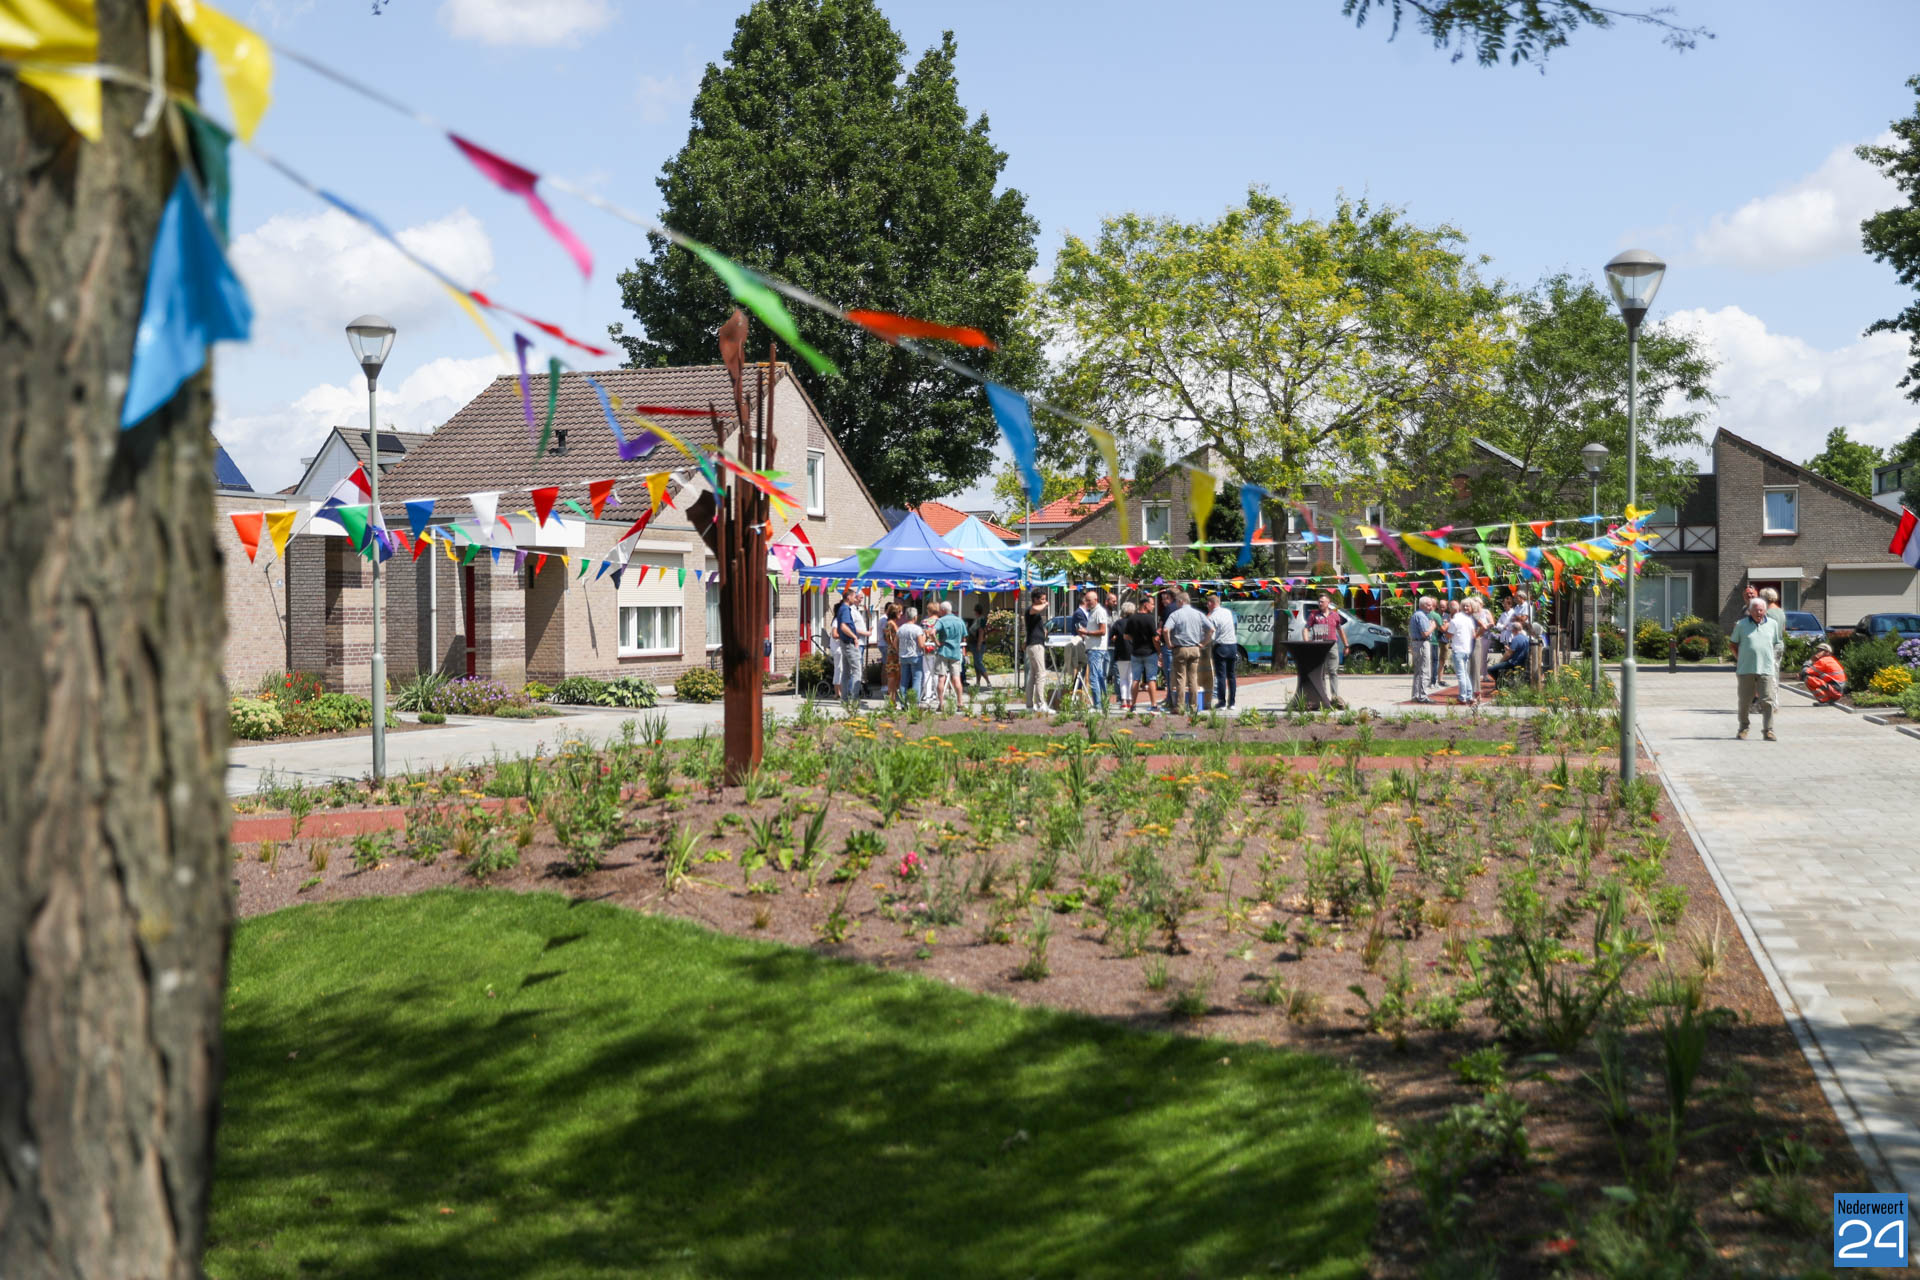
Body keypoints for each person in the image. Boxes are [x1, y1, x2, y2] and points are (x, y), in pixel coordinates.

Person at [1731, 595, 1784, 740]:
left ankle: (1768, 730)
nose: (1758, 613)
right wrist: (1740, 658)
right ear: (1750, 611)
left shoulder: (1773, 624)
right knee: (1745, 702)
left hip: (1766, 669)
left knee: (1767, 701)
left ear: (1765, 611)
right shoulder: (1741, 625)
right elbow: (1733, 644)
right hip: (1746, 669)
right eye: (1755, 610)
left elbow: (1776, 643)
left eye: (1761, 610)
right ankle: (1743, 728)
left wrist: (1772, 659)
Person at [1163, 591, 1212, 713]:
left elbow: (1165, 630)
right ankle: (1194, 706)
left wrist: (1169, 644)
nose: (1176, 604)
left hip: (1180, 649)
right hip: (1195, 648)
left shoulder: (1175, 614)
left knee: (1180, 678)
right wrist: (1203, 643)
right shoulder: (1199, 614)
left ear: (1181, 601)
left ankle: (1180, 706)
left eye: (1177, 602)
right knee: (1193, 678)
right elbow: (1211, 629)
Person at [1075, 588, 1111, 709]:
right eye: (1086, 600)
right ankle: (1104, 701)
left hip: (1096, 649)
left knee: (1093, 677)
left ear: (1096, 600)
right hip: (1093, 647)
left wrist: (1087, 632)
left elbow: (1102, 631)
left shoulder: (1099, 612)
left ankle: (1097, 705)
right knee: (1099, 676)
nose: (1087, 603)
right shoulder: (1092, 611)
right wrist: (1085, 633)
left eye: (1089, 600)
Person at [1311, 593, 1347, 708]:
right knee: (1321, 673)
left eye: (1322, 601)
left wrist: (1346, 645)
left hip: (1332, 646)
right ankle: (1323, 698)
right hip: (1319, 646)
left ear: (1328, 603)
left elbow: (1340, 630)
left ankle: (1335, 697)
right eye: (1319, 601)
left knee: (1333, 671)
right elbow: (1306, 629)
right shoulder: (1314, 615)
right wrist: (1307, 642)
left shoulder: (1335, 615)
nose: (1320, 603)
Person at [1125, 597, 1161, 711]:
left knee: (1136, 679)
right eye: (1152, 604)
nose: (1153, 606)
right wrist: (1159, 651)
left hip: (1136, 652)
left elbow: (1126, 636)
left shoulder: (1132, 618)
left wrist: (1135, 639)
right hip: (1149, 652)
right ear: (1145, 605)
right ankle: (1154, 704)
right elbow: (1155, 638)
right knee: (1151, 679)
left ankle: (1133, 705)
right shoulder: (1150, 619)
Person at [1205, 592, 1240, 709]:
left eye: (1207, 604)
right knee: (1231, 675)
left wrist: (1203, 643)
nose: (1207, 606)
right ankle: (1232, 703)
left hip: (1221, 646)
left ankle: (1222, 702)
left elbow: (1211, 633)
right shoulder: (1227, 612)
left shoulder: (1213, 617)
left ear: (1211, 603)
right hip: (1233, 645)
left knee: (1221, 676)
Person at [932, 600, 968, 710]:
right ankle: (960, 703)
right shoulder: (959, 620)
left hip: (943, 651)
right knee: (956, 678)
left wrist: (937, 642)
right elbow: (964, 636)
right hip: (956, 652)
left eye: (940, 610)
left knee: (941, 678)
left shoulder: (941, 621)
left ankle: (941, 703)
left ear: (943, 610)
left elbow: (932, 632)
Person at [832, 586, 866, 701]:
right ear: (848, 597)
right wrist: (854, 636)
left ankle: (845, 698)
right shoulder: (846, 609)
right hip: (849, 643)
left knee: (846, 672)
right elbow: (843, 626)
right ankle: (855, 698)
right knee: (857, 671)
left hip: (844, 643)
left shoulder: (842, 608)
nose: (855, 598)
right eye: (854, 596)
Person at [1446, 597, 1479, 705]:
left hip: (1458, 649)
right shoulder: (1469, 620)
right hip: (1467, 649)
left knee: (1461, 675)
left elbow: (1449, 635)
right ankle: (1469, 696)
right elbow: (1474, 634)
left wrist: (1447, 626)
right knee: (1465, 674)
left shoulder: (1454, 621)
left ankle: (1462, 697)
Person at [1023, 589, 1049, 711]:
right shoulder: (1031, 609)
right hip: (1035, 645)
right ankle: (1041, 704)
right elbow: (1036, 609)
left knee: (1033, 675)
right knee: (1041, 674)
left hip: (1035, 644)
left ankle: (1029, 705)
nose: (1044, 601)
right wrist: (1045, 604)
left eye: (1045, 599)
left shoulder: (1035, 613)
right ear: (1035, 599)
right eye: (1042, 599)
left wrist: (1044, 632)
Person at [1487, 619, 1534, 684]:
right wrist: (1509, 649)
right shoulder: (1526, 638)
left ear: (1514, 630)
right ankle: (1504, 683)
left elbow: (1509, 654)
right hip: (1522, 662)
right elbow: (1518, 650)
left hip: (1514, 662)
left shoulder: (1516, 639)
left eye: (1512, 630)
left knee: (1491, 669)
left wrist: (1501, 661)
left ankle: (1502, 683)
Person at [1409, 595, 1436, 703]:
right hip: (1422, 643)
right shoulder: (1422, 616)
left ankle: (1415, 695)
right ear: (1422, 605)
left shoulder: (1416, 614)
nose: (1431, 607)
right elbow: (1425, 633)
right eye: (1429, 605)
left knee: (1418, 671)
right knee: (1425, 670)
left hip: (1416, 643)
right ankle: (1423, 696)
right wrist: (1433, 626)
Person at [895, 607, 923, 705]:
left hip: (903, 656)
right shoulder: (917, 629)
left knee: (904, 680)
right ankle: (914, 702)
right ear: (915, 617)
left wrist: (899, 651)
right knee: (916, 679)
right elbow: (921, 645)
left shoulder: (901, 628)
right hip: (915, 655)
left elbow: (895, 643)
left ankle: (903, 703)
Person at [1111, 600, 1135, 707]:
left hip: (1121, 653)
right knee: (1131, 677)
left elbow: (1110, 636)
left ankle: (1124, 701)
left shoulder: (1118, 623)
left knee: (1122, 678)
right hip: (1134, 652)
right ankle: (1130, 700)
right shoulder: (1135, 622)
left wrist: (1116, 639)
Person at [965, 601, 993, 689]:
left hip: (977, 643)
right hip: (975, 643)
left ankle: (988, 681)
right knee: (976, 664)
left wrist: (979, 644)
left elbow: (981, 632)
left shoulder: (980, 620)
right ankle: (978, 682)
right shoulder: (978, 619)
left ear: (976, 611)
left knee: (978, 663)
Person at [881, 601, 901, 705]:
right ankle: (891, 700)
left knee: (894, 676)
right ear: (895, 613)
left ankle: (892, 700)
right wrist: (898, 651)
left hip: (892, 651)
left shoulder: (890, 623)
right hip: (894, 653)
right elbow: (892, 640)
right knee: (893, 676)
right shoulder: (891, 624)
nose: (901, 614)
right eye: (899, 612)